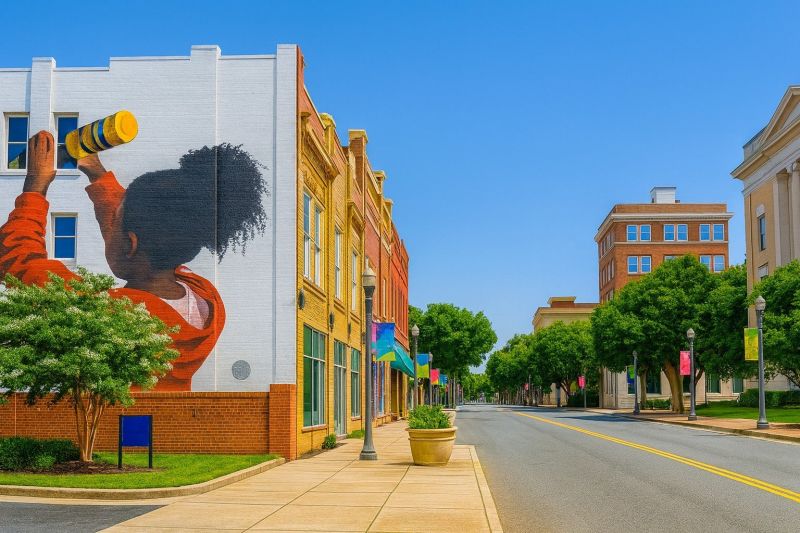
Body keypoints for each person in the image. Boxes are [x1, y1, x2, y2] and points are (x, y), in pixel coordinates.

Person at [0, 131, 267, 390]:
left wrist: (35, 187)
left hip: (116, 429)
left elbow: (19, 261)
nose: (110, 223)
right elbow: (151, 234)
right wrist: (97, 173)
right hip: (167, 422)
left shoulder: (119, 315)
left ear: (132, 243)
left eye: (115, 220)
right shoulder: (207, 299)